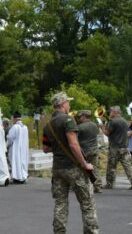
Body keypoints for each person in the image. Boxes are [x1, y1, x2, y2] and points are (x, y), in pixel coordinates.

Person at [42, 92, 98, 234]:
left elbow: (45, 148)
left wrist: (58, 147)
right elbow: (73, 144)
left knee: (60, 204)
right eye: (68, 102)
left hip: (58, 169)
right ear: (62, 104)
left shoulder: (47, 124)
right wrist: (85, 164)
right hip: (73, 168)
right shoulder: (68, 120)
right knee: (87, 204)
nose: (69, 105)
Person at [102, 106, 132, 190]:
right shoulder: (124, 121)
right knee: (128, 166)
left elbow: (107, 133)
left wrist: (102, 127)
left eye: (110, 112)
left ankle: (109, 184)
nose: (109, 113)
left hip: (114, 147)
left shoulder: (112, 121)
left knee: (111, 167)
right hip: (124, 147)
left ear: (115, 112)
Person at [76, 110, 103, 193]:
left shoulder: (80, 127)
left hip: (84, 151)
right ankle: (97, 186)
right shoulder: (95, 125)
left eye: (80, 116)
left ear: (84, 116)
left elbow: (75, 139)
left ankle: (81, 185)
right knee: (95, 168)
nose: (80, 118)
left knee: (81, 168)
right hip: (94, 150)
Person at [7, 112, 29, 184]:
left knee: (16, 161)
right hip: (23, 148)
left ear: (14, 119)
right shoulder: (25, 127)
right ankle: (23, 176)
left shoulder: (15, 127)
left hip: (15, 148)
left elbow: (10, 137)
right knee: (22, 162)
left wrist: (7, 145)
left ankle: (17, 177)